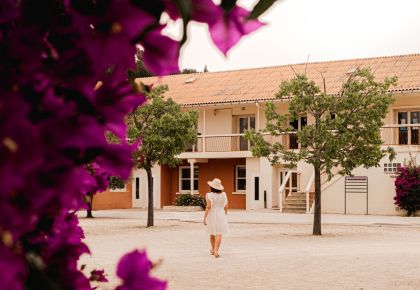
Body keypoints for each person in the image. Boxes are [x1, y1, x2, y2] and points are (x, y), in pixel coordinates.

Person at [203, 178, 229, 258]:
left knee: (212, 232)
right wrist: (225, 213)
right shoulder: (224, 194)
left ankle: (213, 249)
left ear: (211, 187)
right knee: (219, 233)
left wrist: (204, 217)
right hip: (221, 213)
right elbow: (226, 205)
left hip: (212, 214)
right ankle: (216, 251)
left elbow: (208, 207)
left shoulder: (209, 195)